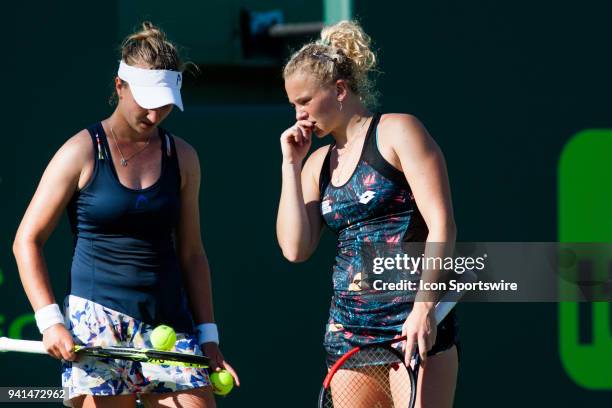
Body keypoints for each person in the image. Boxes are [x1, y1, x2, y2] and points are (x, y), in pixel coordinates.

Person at [12, 22, 239, 408]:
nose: (154, 114)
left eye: (164, 102)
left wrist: (209, 335)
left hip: (169, 321)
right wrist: (50, 321)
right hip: (96, 325)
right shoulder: (80, 151)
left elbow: (192, 254)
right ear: (120, 86)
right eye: (146, 100)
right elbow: (26, 241)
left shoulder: (183, 157)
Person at [276, 20, 458, 407]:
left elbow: (442, 224)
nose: (299, 114)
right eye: (293, 104)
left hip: (411, 327)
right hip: (348, 337)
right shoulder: (316, 164)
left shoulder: (398, 132)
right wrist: (290, 166)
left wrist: (424, 309)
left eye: (305, 101)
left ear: (339, 90)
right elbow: (295, 249)